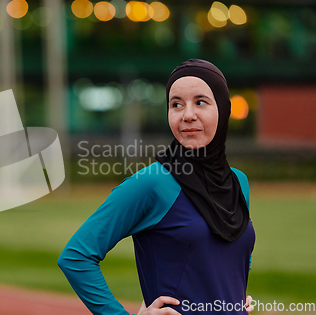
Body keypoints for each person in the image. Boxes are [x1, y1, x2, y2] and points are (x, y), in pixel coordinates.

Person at [58, 59, 256, 315]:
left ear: (223, 109)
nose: (187, 115)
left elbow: (233, 252)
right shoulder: (152, 183)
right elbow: (76, 257)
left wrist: (233, 295)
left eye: (201, 102)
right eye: (176, 104)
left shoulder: (238, 182)